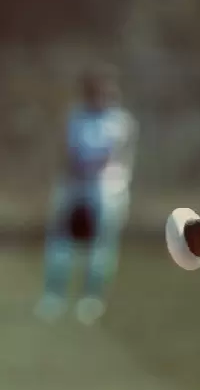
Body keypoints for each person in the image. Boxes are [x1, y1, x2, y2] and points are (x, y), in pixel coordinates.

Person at [36, 65, 137, 326]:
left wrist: (91, 168)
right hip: (74, 185)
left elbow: (114, 155)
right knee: (60, 243)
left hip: (106, 189)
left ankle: (91, 298)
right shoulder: (76, 118)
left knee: (101, 246)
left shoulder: (120, 121)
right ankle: (54, 296)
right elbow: (67, 151)